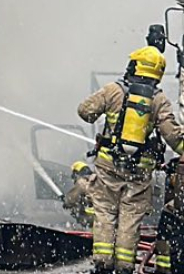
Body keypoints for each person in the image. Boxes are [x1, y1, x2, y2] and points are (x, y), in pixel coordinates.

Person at [79, 47, 184, 273]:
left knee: (105, 213)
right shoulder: (159, 100)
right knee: (130, 218)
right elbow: (174, 138)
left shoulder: (113, 90)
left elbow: (85, 112)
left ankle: (103, 263)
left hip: (108, 167)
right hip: (139, 173)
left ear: (134, 65)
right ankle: (125, 266)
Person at [63, 160, 95, 227]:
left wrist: (65, 200)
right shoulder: (94, 181)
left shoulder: (82, 182)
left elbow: (71, 199)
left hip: (90, 220)